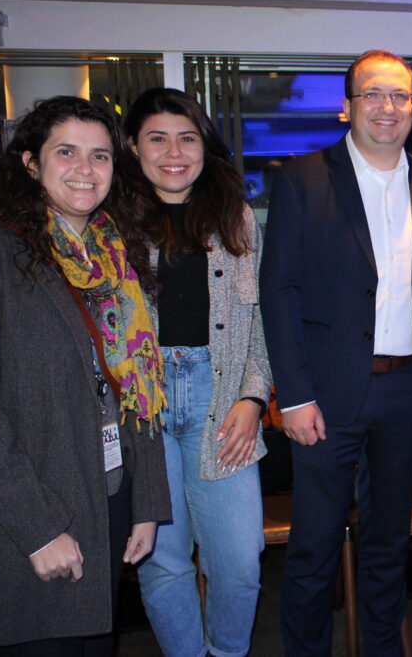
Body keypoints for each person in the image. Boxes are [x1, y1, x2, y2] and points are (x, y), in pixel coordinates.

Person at [0, 95, 171, 654]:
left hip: (106, 497)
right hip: (24, 517)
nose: (85, 169)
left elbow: (134, 389)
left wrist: (145, 504)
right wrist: (39, 529)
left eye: (100, 156)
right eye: (67, 152)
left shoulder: (116, 261)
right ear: (30, 164)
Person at [259, 49, 412, 656]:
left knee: (388, 543)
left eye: (399, 95)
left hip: (409, 393)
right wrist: (293, 395)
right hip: (325, 397)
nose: (387, 107)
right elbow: (279, 290)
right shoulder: (301, 179)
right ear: (348, 107)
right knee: (315, 546)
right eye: (372, 93)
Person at [123, 87, 271, 657]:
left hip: (222, 396)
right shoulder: (113, 223)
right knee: (163, 562)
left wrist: (254, 397)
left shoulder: (236, 218)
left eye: (187, 137)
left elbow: (259, 319)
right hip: (143, 403)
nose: (173, 151)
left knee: (238, 560)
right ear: (134, 148)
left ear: (205, 147)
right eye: (156, 138)